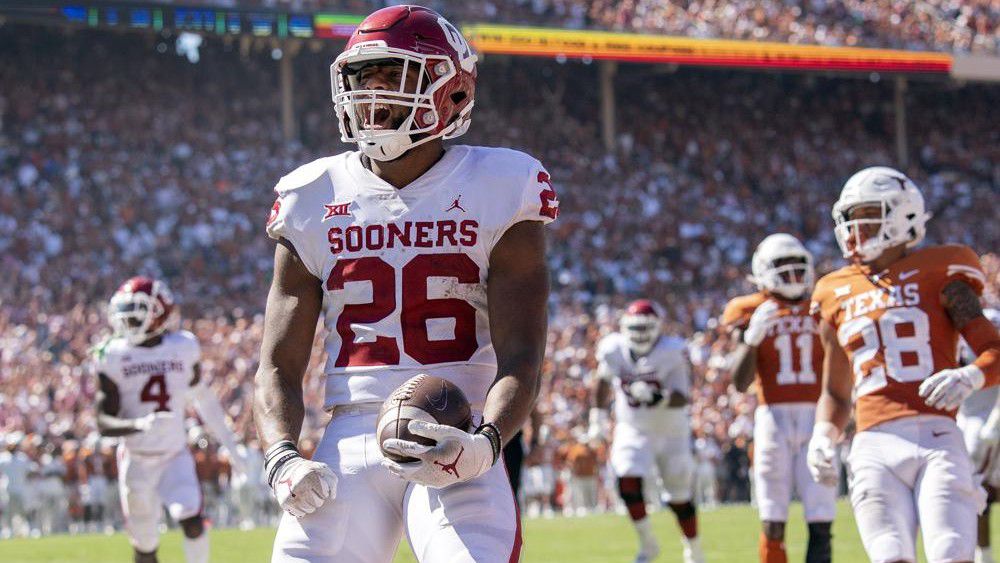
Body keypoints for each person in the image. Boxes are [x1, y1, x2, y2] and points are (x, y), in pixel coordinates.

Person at [253, 5, 556, 562]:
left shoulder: (502, 183)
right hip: (348, 441)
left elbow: (523, 357)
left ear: (452, 91)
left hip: (456, 433)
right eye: (362, 78)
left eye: (394, 76)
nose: (372, 93)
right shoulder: (310, 194)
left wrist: (484, 446)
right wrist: (280, 456)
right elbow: (277, 365)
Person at [807, 166, 1000, 563]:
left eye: (866, 215)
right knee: (889, 557)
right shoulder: (833, 290)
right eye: (850, 218)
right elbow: (834, 391)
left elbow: (994, 350)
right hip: (872, 443)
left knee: (951, 553)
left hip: (937, 435)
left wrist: (971, 375)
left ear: (904, 215)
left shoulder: (942, 269)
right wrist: (823, 434)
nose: (854, 228)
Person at [92, 276, 249, 563]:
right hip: (135, 459)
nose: (127, 320)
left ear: (158, 313)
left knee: (192, 519)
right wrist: (138, 425)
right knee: (145, 546)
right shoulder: (112, 354)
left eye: (135, 312)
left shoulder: (182, 346)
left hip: (174, 455)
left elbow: (203, 399)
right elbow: (103, 421)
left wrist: (229, 444)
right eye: (124, 312)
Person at [723, 234, 835, 563]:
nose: (792, 276)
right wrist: (751, 339)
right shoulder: (748, 309)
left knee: (821, 518)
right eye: (782, 268)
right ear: (762, 270)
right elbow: (739, 382)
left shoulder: (823, 301)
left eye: (797, 268)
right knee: (772, 518)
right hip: (772, 417)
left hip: (818, 415)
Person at [590, 299, 704, 563]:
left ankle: (694, 549)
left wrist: (658, 396)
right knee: (626, 478)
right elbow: (602, 382)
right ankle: (648, 544)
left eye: (645, 328)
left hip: (671, 431)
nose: (640, 334)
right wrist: (596, 418)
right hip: (633, 428)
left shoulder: (673, 350)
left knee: (679, 497)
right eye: (635, 328)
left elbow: (682, 397)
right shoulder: (613, 347)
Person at [958, 308, 1000, 563]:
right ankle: (981, 556)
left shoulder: (991, 321)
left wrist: (996, 420)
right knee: (973, 496)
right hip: (969, 421)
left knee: (978, 493)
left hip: (986, 421)